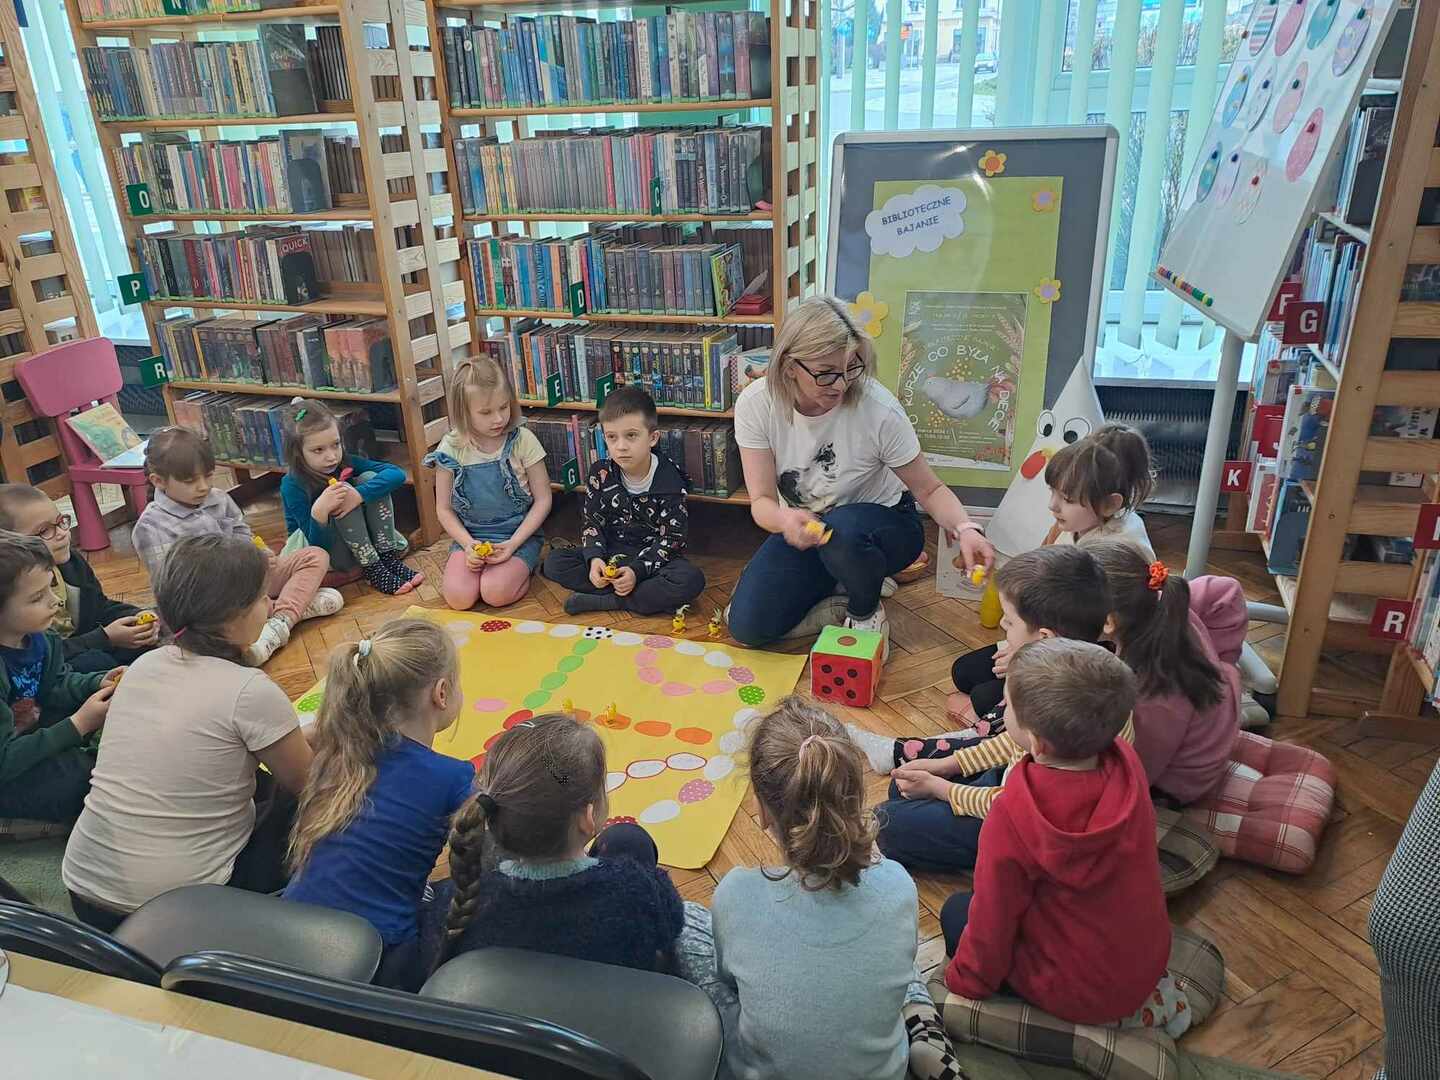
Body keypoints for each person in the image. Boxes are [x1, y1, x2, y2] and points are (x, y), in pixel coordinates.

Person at [62, 535, 313, 931]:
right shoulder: (250, 691)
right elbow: (308, 783)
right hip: (175, 913)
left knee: (248, 781)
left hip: (85, 894)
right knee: (317, 803)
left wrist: (307, 731)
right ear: (232, 616)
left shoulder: (144, 665)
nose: (271, 605)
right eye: (263, 598)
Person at [725, 296, 993, 655]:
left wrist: (966, 529)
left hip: (885, 526)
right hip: (812, 528)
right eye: (826, 373)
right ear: (789, 366)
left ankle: (864, 608)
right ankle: (845, 587)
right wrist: (784, 520)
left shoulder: (878, 410)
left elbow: (930, 489)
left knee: (844, 531)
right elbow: (761, 501)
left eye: (851, 368)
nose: (841, 385)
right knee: (747, 626)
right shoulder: (757, 404)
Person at [708, 696, 956, 1080]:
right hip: (884, 1071)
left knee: (695, 945)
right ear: (856, 798)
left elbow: (727, 979)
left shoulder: (735, 893)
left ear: (761, 809)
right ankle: (928, 1039)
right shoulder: (897, 885)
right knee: (906, 976)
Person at [940, 639, 1172, 1027]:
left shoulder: (1014, 813)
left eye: (1007, 707)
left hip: (1077, 992)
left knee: (956, 912)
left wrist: (963, 984)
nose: (1003, 710)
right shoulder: (1125, 759)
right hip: (1143, 965)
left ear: (1036, 742)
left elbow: (992, 921)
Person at [866, 551, 1133, 875]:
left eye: (1009, 621)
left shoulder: (1061, 705)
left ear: (1044, 638)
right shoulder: (1081, 674)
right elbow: (1012, 744)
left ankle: (985, 859)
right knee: (903, 788)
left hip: (1024, 828)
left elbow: (1007, 804)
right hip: (1015, 785)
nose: (1003, 627)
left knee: (887, 823)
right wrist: (947, 765)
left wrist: (942, 789)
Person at [283, 618, 474, 991]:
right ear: (442, 693)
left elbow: (303, 737)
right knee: (453, 900)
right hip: (380, 957)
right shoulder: (452, 776)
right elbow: (508, 827)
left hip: (289, 928)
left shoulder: (338, 750)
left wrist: (336, 726)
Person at [443, 713, 684, 971]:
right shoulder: (638, 889)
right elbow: (673, 925)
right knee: (628, 839)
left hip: (513, 987)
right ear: (588, 817)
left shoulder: (464, 900)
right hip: (619, 992)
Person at [132, 427, 342, 665]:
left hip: (248, 580)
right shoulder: (150, 527)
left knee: (315, 556)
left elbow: (243, 534)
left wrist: (258, 554)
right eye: (190, 481)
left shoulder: (218, 498)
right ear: (158, 481)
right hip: (211, 600)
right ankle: (289, 609)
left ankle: (279, 621)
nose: (203, 486)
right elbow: (174, 589)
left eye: (208, 476)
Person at [1087, 540, 1242, 805]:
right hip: (1209, 713)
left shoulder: (1152, 695)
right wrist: (1224, 660)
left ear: (1109, 622)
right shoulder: (1163, 603)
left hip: (1176, 781)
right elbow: (1227, 590)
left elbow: (1137, 774)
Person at [542, 385, 705, 616]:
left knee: (690, 580)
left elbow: (672, 539)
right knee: (554, 562)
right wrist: (594, 559)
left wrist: (637, 571)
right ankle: (637, 597)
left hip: (652, 559)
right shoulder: (600, 473)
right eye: (612, 437)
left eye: (631, 435)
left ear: (652, 438)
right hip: (611, 553)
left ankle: (609, 601)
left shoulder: (670, 482)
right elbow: (592, 522)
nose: (621, 446)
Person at [0, 533, 114, 823]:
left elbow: (56, 684)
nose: (56, 602)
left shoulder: (42, 637)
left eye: (50, 587)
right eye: (37, 597)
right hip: (6, 762)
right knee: (76, 779)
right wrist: (78, 725)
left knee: (97, 665)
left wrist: (98, 682)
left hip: (26, 728)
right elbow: (4, 760)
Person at [424, 356, 551, 611]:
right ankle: (489, 572)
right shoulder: (451, 447)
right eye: (485, 412)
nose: (498, 419)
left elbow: (544, 499)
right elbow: (444, 509)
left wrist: (513, 544)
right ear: (463, 412)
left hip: (518, 536)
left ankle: (523, 569)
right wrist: (468, 545)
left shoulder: (523, 440)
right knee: (459, 599)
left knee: (495, 594)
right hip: (471, 537)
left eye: (504, 407)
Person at [0, 484, 158, 673]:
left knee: (144, 641)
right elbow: (41, 653)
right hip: (51, 668)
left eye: (61, 521)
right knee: (96, 662)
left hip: (88, 645)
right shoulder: (14, 593)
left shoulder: (71, 563)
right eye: (44, 531)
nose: (62, 533)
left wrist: (134, 616)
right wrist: (104, 638)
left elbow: (99, 606)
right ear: (11, 544)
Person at [280, 399, 423, 596]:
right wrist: (319, 513)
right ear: (297, 453)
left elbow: (396, 474)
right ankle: (372, 568)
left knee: (368, 478)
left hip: (358, 541)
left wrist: (359, 494)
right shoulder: (292, 484)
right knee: (343, 491)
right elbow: (318, 548)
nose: (331, 456)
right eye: (318, 450)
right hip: (323, 551)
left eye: (336, 444)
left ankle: (387, 557)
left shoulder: (345, 461)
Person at [1042, 422, 1155, 556]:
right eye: (1052, 491)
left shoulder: (1115, 555)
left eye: (1068, 499)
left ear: (1109, 504)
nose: (1052, 505)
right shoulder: (1070, 524)